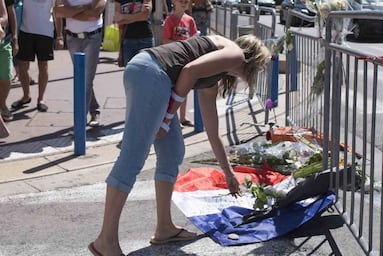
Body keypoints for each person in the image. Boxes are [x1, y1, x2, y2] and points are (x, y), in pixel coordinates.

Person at [88, 34, 272, 255]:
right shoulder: (235, 54)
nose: (257, 73)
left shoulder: (215, 73)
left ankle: (164, 227)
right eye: (259, 67)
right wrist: (167, 117)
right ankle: (105, 241)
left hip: (153, 75)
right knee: (133, 157)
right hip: (152, 74)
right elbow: (189, 71)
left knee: (172, 151)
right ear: (253, 60)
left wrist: (228, 173)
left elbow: (212, 132)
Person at [54, 0, 105, 127]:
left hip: (92, 37)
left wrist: (70, 12)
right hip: (73, 38)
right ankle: (95, 110)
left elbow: (95, 13)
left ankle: (80, 122)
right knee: (82, 77)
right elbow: (58, 11)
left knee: (86, 79)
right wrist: (84, 8)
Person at [11, 0, 63, 113]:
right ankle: (26, 96)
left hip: (45, 32)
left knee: (43, 66)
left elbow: (57, 12)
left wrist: (59, 36)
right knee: (22, 66)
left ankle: (41, 99)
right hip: (25, 31)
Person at [162, 0, 197, 127]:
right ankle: (173, 118)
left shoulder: (190, 20)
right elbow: (165, 40)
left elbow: (194, 38)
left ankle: (182, 117)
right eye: (181, 0)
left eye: (186, 1)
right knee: (173, 90)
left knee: (185, 89)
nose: (184, 3)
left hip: (186, 59)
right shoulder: (169, 20)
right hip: (173, 59)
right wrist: (181, 45)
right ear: (174, 2)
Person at [114, 0, 154, 67]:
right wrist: (120, 50)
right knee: (130, 72)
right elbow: (118, 20)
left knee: (145, 72)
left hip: (145, 39)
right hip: (127, 41)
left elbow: (145, 16)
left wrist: (123, 17)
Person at [0, 0, 17, 122]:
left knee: (6, 77)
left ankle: (2, 104)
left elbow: (7, 16)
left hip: (3, 43)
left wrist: (15, 38)